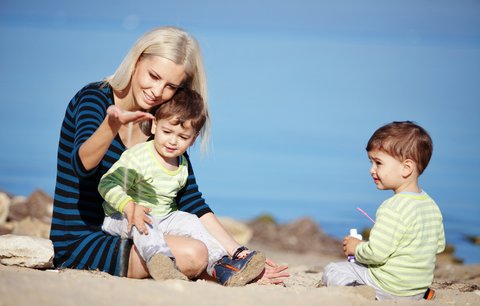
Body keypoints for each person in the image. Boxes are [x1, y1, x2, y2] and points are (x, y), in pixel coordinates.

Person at [49, 26, 288, 283]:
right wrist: (113, 124)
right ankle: (221, 273)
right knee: (194, 253)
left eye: (170, 86)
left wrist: (238, 252)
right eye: (153, 76)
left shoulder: (162, 120)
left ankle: (230, 270)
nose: (157, 91)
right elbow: (81, 165)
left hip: (136, 231)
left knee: (194, 241)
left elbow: (191, 200)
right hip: (82, 239)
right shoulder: (94, 98)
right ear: (137, 60)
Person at [98, 88, 266, 285]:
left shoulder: (181, 163)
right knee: (146, 224)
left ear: (193, 139)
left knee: (190, 220)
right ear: (154, 126)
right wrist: (129, 206)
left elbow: (187, 204)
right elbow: (107, 183)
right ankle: (160, 261)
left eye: (182, 137)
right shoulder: (138, 157)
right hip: (124, 216)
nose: (172, 141)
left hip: (163, 217)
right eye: (167, 131)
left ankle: (220, 264)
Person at [322, 121, 445, 300]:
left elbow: (377, 254)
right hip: (416, 289)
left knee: (333, 269)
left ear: (406, 168)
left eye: (378, 163)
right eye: (371, 162)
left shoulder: (392, 207)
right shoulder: (430, 205)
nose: (372, 170)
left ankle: (358, 291)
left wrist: (356, 248)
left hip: (388, 287)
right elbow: (438, 246)